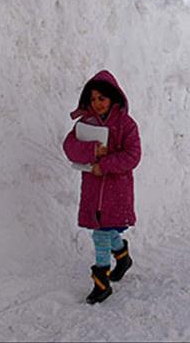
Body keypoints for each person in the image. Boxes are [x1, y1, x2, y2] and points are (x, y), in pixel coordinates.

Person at [63, 70, 141, 304]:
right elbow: (69, 147)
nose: (97, 103)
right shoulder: (85, 124)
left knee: (101, 233)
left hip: (116, 191)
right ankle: (123, 256)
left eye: (102, 98)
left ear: (113, 98)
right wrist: (92, 151)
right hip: (93, 190)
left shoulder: (126, 124)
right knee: (104, 230)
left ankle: (101, 283)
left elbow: (133, 156)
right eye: (93, 99)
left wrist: (104, 165)